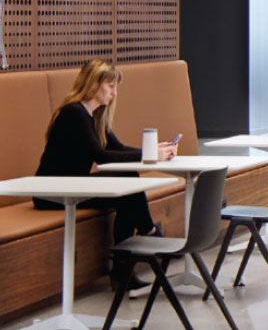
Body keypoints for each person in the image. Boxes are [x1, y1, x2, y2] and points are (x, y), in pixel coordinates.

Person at [35, 58, 178, 246]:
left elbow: (117, 148)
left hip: (73, 186)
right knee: (127, 184)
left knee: (127, 187)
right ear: (94, 84)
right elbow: (100, 156)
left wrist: (153, 151)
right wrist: (150, 156)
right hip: (51, 193)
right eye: (110, 86)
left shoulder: (94, 115)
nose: (114, 93)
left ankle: (129, 259)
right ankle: (148, 235)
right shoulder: (74, 113)